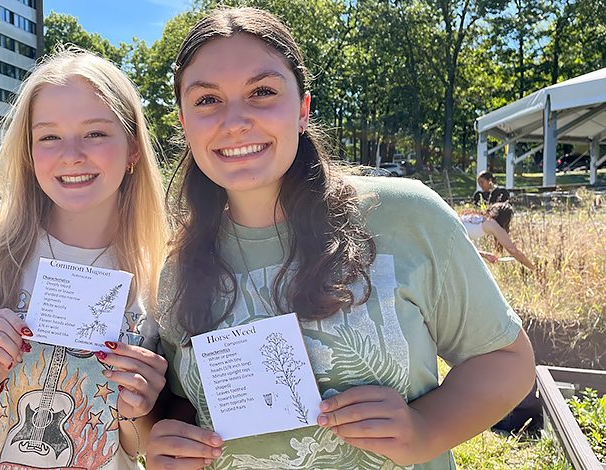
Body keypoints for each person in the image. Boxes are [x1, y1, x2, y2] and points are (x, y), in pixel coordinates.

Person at [147, 8, 535, 470]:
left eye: (263, 92)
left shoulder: (404, 215)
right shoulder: (178, 269)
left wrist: (426, 430)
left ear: (303, 110)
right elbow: (184, 404)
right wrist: (167, 442)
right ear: (184, 122)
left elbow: (506, 360)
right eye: (207, 100)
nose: (235, 120)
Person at [0, 49, 170, 470]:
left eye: (95, 133)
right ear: (27, 152)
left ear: (133, 148)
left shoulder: (164, 273)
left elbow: (137, 446)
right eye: (48, 136)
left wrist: (141, 410)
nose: (72, 153)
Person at [459, 202, 535, 270]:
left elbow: (461, 247)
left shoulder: (477, 218)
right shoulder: (492, 224)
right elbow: (512, 250)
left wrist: (485, 255)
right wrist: (533, 268)